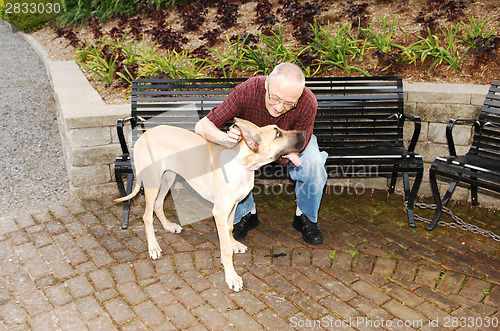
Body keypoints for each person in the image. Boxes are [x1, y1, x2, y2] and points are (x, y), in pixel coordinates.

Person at [195, 62, 327, 244]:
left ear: (299, 96)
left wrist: (286, 154)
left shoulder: (308, 102)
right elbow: (202, 126)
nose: (279, 107)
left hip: (289, 145)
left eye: (289, 103)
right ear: (266, 85)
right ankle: (246, 213)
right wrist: (226, 139)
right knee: (230, 155)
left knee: (313, 164)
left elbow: (301, 141)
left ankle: (305, 217)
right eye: (274, 98)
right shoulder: (248, 90)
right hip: (254, 146)